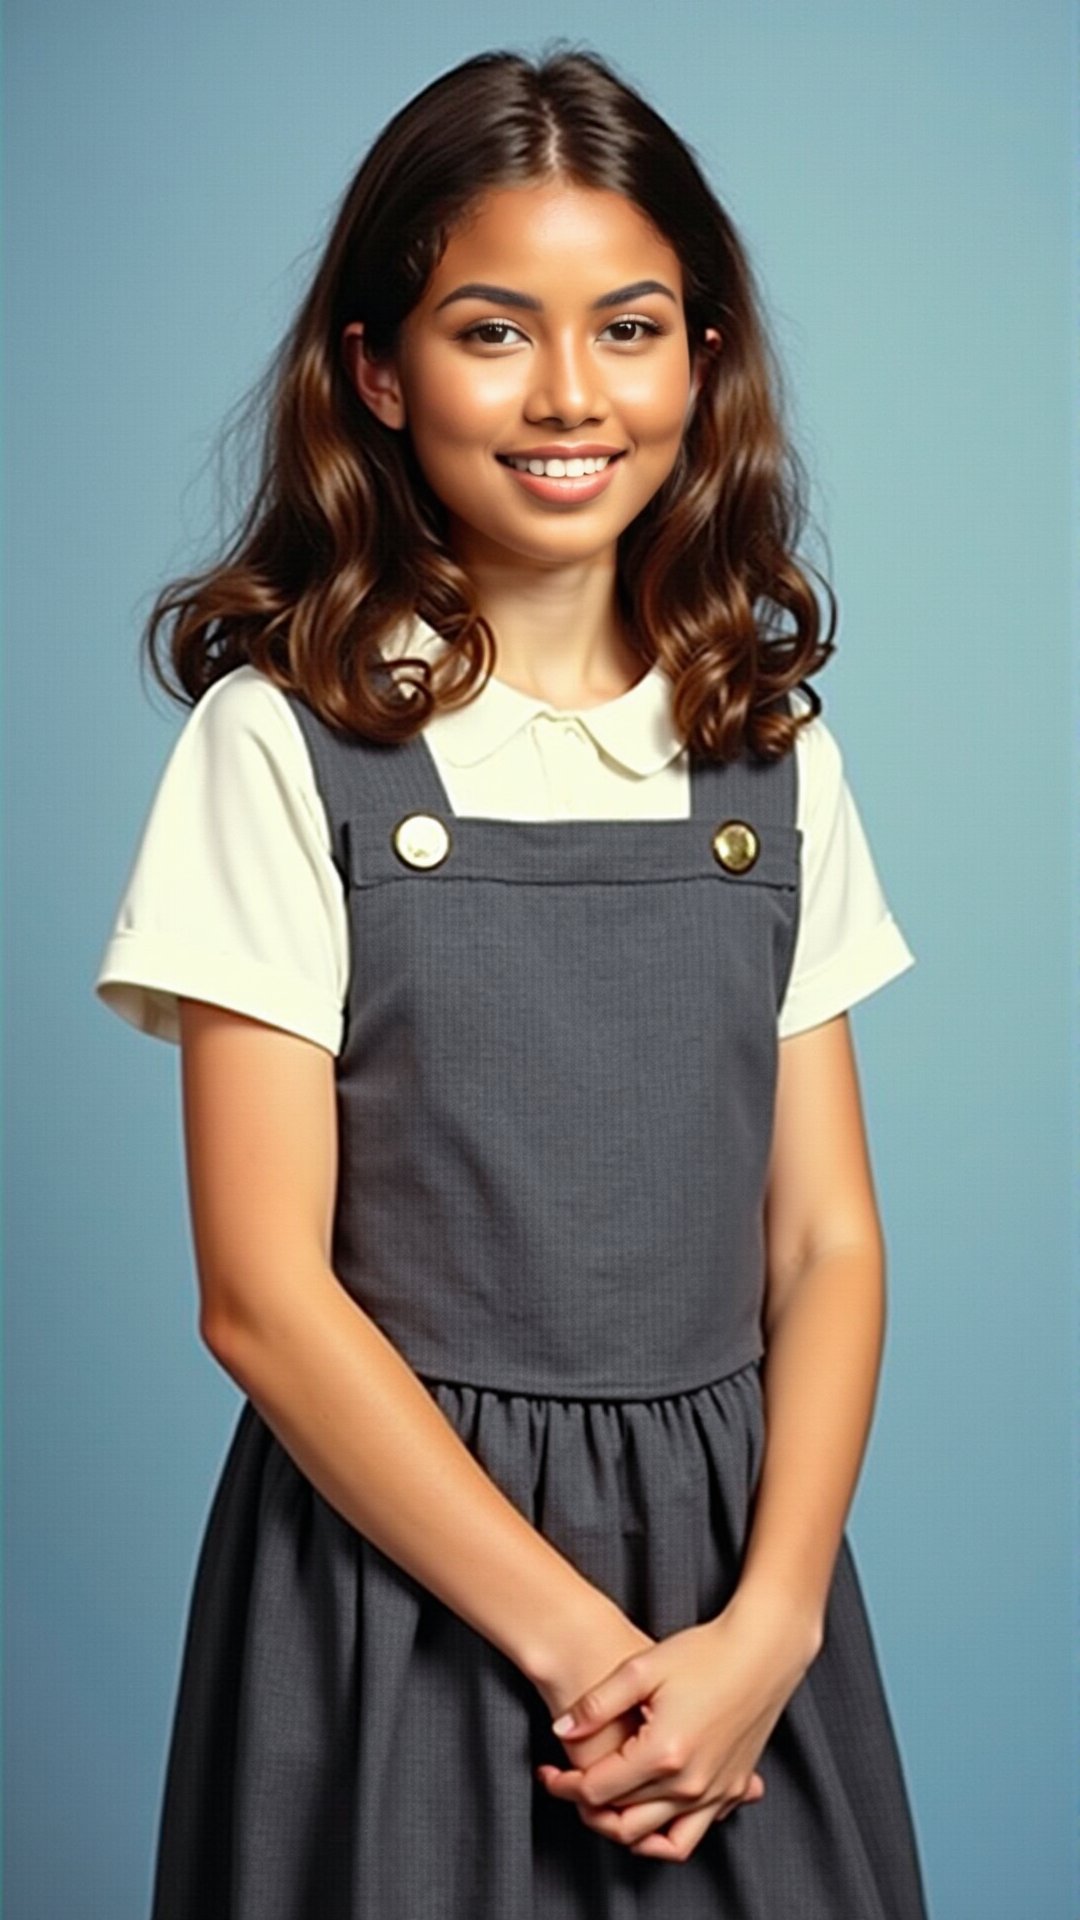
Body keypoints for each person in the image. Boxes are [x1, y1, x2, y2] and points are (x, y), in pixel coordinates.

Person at [93, 43, 931, 1920]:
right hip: (399, 1603)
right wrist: (587, 1655)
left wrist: (772, 1627)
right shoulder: (281, 748)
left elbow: (826, 1241)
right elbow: (262, 1296)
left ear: (701, 358)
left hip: (730, 1604)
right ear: (380, 372)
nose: (569, 393)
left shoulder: (768, 755)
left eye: (627, 328)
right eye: (493, 332)